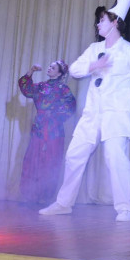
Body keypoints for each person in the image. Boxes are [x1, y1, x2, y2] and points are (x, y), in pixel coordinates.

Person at [39, 0, 130, 222]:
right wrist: (94, 65)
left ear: (115, 22)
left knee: (115, 158)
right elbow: (75, 69)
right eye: (98, 21)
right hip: (93, 112)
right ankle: (63, 203)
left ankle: (125, 208)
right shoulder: (94, 49)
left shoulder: (129, 51)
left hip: (116, 113)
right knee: (74, 155)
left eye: (102, 20)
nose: (98, 24)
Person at [17, 60, 76, 203]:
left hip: (54, 130)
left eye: (53, 67)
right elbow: (26, 89)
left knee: (51, 161)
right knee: (33, 160)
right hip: (39, 127)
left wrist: (54, 114)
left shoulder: (63, 89)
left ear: (60, 73)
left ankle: (46, 196)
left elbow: (71, 106)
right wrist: (31, 71)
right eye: (49, 66)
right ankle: (30, 195)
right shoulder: (41, 86)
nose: (49, 68)